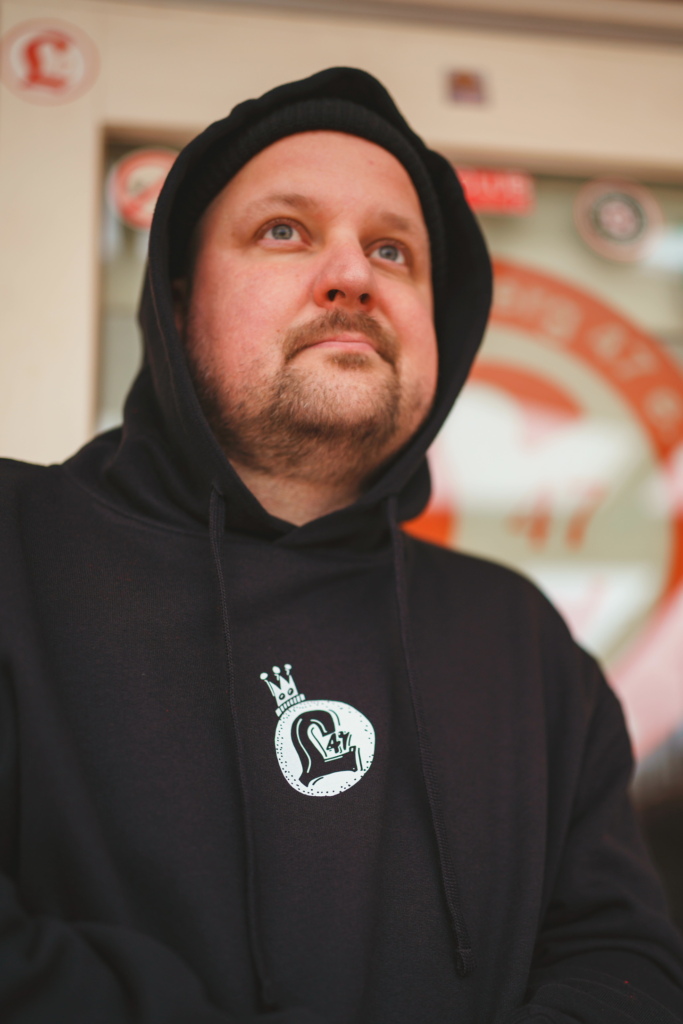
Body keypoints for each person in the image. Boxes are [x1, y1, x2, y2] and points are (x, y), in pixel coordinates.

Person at [0, 66, 682, 1024]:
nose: (353, 275)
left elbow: (623, 959)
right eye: (283, 231)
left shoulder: (522, 643)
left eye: (393, 251)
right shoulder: (17, 549)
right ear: (177, 299)